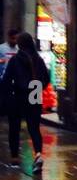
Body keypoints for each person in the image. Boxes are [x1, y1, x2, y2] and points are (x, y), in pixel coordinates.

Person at [0, 31, 50, 171]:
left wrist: (7, 95)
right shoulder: (38, 59)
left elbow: (6, 81)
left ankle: (15, 158)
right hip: (34, 95)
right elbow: (46, 79)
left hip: (17, 96)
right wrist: (37, 88)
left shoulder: (15, 60)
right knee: (34, 127)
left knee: (14, 128)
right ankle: (38, 154)